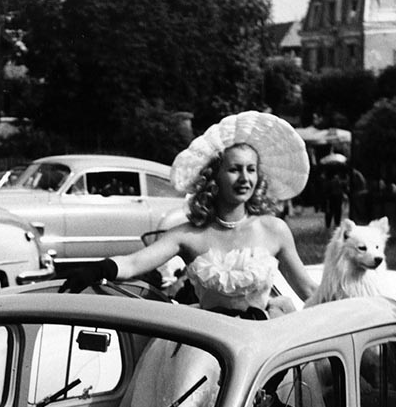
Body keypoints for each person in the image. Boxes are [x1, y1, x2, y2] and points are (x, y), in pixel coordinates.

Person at [62, 111, 315, 317]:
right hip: (209, 345)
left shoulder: (274, 230)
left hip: (262, 345)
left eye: (251, 170)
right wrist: (97, 269)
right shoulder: (190, 234)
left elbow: (308, 289)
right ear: (214, 176)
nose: (245, 178)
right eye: (235, 169)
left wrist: (350, 306)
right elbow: (135, 263)